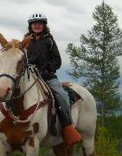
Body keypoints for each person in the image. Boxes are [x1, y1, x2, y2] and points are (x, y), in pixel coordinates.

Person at [25, 11, 81, 146]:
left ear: (44, 25)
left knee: (62, 95)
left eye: (39, 24)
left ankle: (67, 126)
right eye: (34, 24)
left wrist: (47, 68)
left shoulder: (49, 40)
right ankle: (1, 127)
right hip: (29, 76)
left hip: (47, 76)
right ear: (30, 25)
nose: (37, 26)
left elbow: (57, 60)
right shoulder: (26, 40)